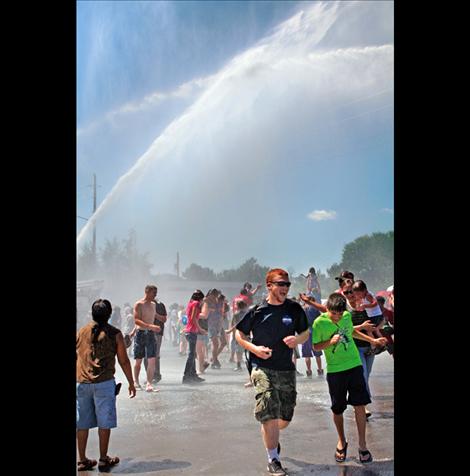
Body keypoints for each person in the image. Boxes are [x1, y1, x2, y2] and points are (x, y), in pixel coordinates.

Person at [235, 268, 310, 476]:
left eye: (287, 284)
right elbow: (239, 334)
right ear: (269, 285)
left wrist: (298, 340)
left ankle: (272, 436)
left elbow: (305, 332)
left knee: (284, 418)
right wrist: (254, 348)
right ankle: (273, 459)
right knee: (268, 405)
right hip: (261, 366)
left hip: (285, 368)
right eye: (281, 284)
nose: (285, 288)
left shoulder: (294, 309)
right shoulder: (257, 310)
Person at [312, 293, 387, 464]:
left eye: (340, 313)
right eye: (334, 314)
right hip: (335, 371)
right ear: (328, 309)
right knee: (337, 409)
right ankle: (341, 440)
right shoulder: (319, 323)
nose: (338, 317)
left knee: (360, 404)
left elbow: (351, 332)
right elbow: (316, 347)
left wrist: (371, 340)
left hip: (354, 365)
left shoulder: (346, 316)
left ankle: (362, 445)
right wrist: (330, 342)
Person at [76, 299, 136, 472]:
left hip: (82, 383)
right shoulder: (114, 333)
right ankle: (103, 459)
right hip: (103, 383)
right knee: (104, 421)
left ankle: (82, 460)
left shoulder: (81, 331)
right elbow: (123, 361)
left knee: (82, 423)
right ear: (109, 314)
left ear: (93, 313)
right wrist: (131, 383)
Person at [132, 285, 161, 392]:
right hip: (140, 333)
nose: (155, 295)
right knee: (138, 361)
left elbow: (153, 315)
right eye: (154, 293)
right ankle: (136, 381)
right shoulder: (139, 304)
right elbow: (136, 320)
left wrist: (161, 318)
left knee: (152, 360)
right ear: (147, 292)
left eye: (156, 293)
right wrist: (151, 326)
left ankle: (149, 383)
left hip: (150, 334)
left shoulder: (153, 304)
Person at [182, 290, 206, 384]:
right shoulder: (196, 303)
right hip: (192, 331)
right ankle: (186, 376)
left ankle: (193, 375)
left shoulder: (190, 303)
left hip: (190, 331)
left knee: (193, 354)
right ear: (200, 298)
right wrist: (200, 329)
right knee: (191, 355)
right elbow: (193, 318)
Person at [143, 295, 167, 384]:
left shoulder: (160, 305)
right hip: (145, 332)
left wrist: (155, 314)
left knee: (154, 354)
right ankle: (149, 375)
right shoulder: (144, 304)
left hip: (157, 333)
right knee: (145, 355)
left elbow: (164, 319)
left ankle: (156, 375)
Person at [300, 300, 323, 377]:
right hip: (314, 332)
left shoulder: (302, 309)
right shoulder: (315, 309)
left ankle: (309, 371)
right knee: (317, 353)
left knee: (307, 355)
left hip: (305, 333)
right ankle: (320, 370)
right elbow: (320, 320)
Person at [226, 300, 249, 371]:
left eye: (236, 304)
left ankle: (239, 366)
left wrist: (229, 331)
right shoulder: (247, 313)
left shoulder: (236, 314)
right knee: (248, 350)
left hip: (239, 334)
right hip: (247, 334)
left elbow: (236, 325)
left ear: (238, 306)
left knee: (238, 351)